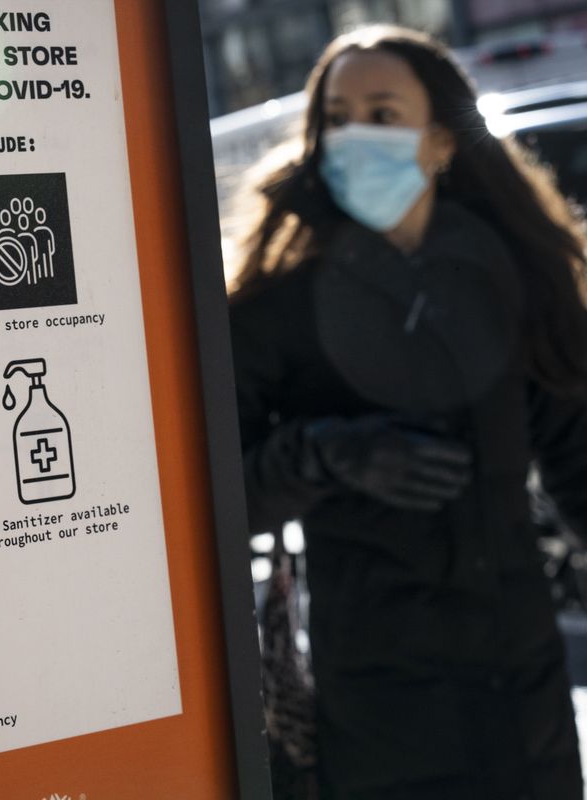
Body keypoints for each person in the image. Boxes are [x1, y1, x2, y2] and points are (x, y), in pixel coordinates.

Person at [228, 25, 587, 800]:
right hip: (376, 712)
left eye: (383, 114)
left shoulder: (514, 280)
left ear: (441, 141)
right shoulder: (277, 305)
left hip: (521, 705)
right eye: (338, 116)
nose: (356, 135)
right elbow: (217, 496)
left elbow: (579, 460)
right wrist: (322, 454)